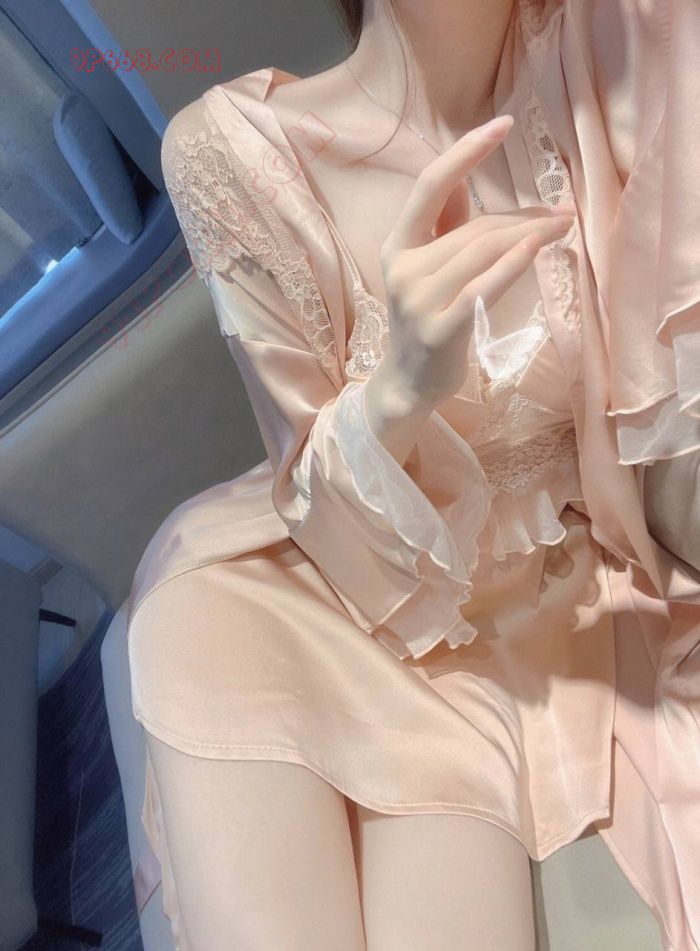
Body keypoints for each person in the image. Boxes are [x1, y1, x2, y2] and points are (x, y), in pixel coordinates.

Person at [126, 0, 700, 947]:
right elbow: (306, 489)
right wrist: (399, 387)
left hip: (522, 610)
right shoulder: (228, 154)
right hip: (309, 589)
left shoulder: (615, 49)